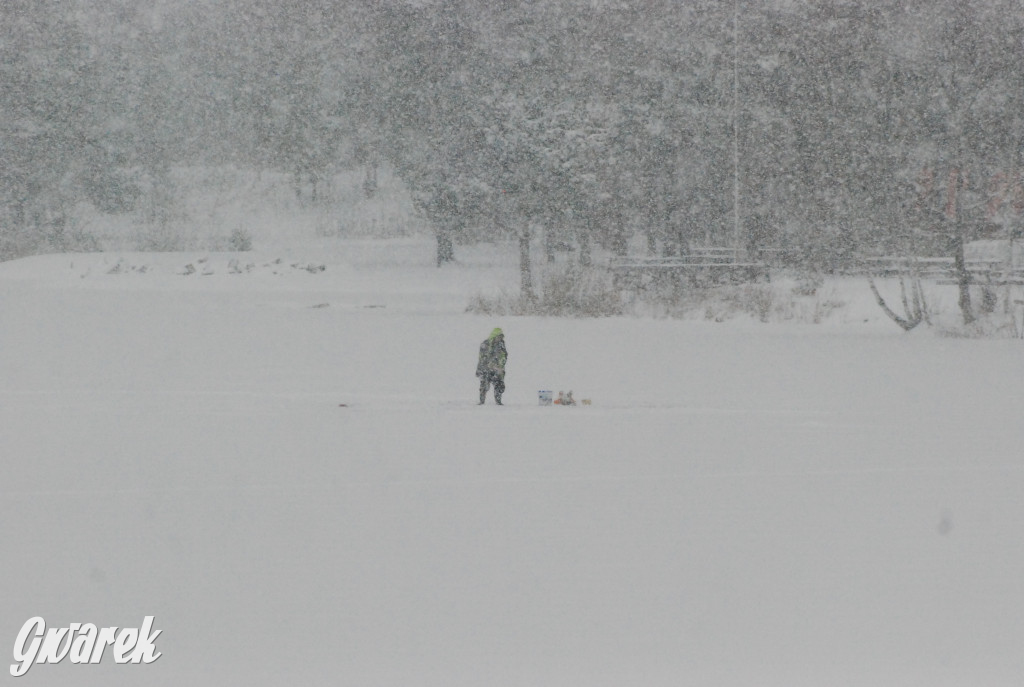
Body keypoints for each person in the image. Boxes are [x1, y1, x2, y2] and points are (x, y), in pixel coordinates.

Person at [476, 327, 508, 405]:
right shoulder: (485, 344)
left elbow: (504, 356)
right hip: (485, 368)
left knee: (499, 384)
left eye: (501, 337)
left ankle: (498, 401)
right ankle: (481, 401)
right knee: (484, 384)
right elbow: (482, 357)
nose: (500, 339)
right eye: (499, 337)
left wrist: (500, 366)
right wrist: (488, 364)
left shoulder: (501, 345)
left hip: (497, 369)